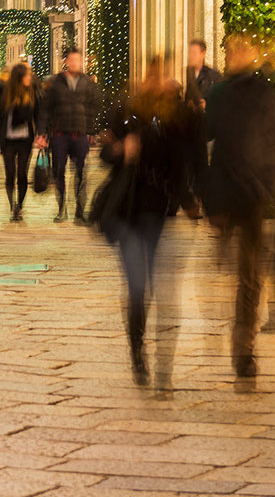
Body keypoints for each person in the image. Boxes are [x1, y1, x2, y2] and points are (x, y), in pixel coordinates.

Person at [203, 34, 275, 378]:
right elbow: (203, 141)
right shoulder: (219, 94)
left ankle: (244, 346)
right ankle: (240, 336)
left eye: (242, 49)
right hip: (230, 194)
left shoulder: (264, 92)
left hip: (250, 196)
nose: (238, 55)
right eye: (233, 50)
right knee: (239, 274)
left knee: (249, 277)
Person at [97, 56, 199, 386]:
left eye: (165, 74)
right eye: (155, 74)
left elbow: (182, 163)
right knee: (137, 285)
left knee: (159, 289)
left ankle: (161, 363)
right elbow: (104, 153)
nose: (160, 81)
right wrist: (120, 150)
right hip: (127, 209)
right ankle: (138, 354)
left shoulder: (175, 116)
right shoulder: (127, 110)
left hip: (158, 212)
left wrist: (187, 201)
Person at [36, 48, 103, 223]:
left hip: (79, 135)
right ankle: (61, 209)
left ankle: (80, 211)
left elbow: (94, 108)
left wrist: (91, 130)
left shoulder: (88, 83)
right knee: (59, 172)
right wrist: (42, 133)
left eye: (77, 60)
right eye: (71, 60)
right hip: (60, 135)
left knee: (81, 172)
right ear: (66, 61)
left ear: (82, 62)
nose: (74, 63)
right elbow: (45, 109)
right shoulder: (56, 83)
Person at [0, 63, 38, 222]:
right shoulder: (5, 94)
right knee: (10, 174)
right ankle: (12, 205)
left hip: (25, 139)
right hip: (8, 140)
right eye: (27, 75)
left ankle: (20, 207)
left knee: (22, 174)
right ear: (19, 77)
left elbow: (38, 115)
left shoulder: (32, 93)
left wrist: (42, 134)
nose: (29, 78)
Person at [185, 39, 222, 111]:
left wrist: (207, 104)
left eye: (194, 53)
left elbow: (221, 100)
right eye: (190, 52)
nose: (191, 56)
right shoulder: (186, 73)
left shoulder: (214, 76)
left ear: (203, 53)